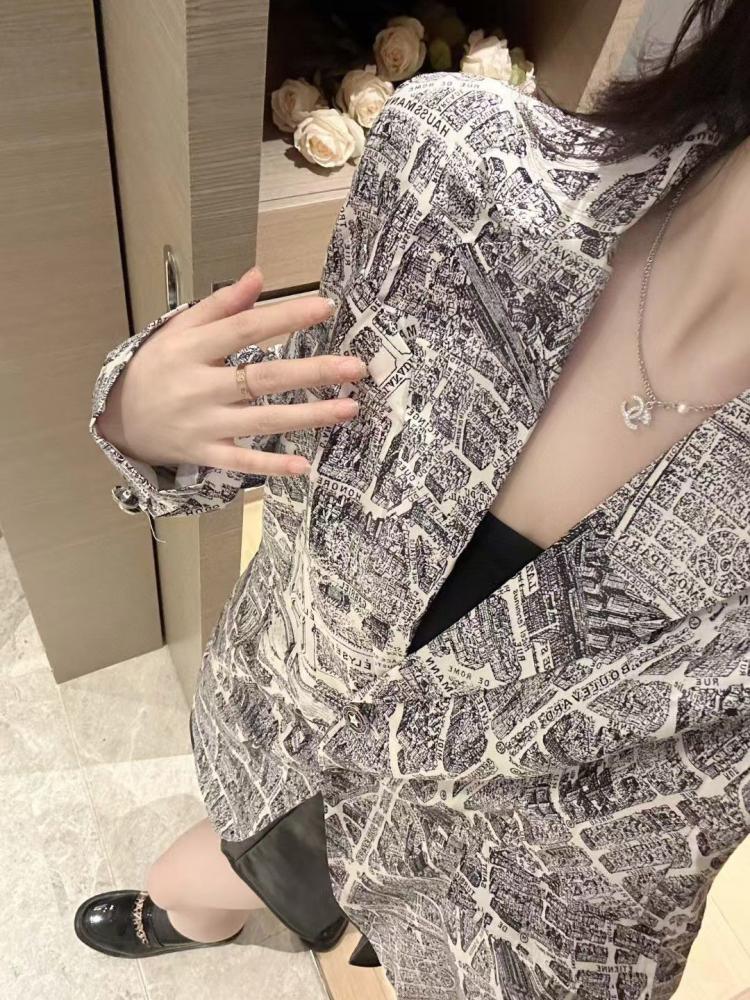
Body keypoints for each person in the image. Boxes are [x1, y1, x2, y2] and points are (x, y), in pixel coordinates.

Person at [75, 0, 750, 996]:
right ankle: (210, 906)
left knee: (245, 873)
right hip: (284, 706)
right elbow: (306, 413)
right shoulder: (466, 167)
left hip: (482, 906)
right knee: (215, 859)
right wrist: (145, 416)